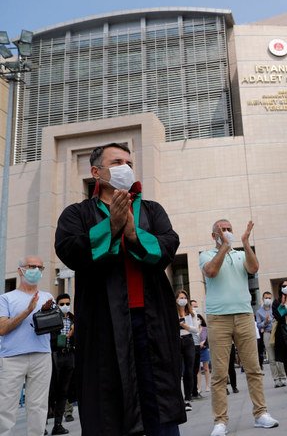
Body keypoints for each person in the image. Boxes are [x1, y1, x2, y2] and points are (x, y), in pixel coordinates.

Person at [55, 143, 185, 435]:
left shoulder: (150, 210)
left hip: (151, 321)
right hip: (104, 325)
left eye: (128, 162)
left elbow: (168, 245)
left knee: (157, 398)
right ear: (96, 172)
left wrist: (132, 233)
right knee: (109, 399)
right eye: (116, 161)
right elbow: (69, 249)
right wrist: (110, 227)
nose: (125, 167)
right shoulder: (77, 214)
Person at [199, 219, 279, 435]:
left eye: (229, 229)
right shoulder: (206, 255)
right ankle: (220, 421)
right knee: (219, 373)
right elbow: (211, 272)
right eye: (222, 230)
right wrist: (224, 247)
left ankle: (261, 413)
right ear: (214, 235)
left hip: (243, 315)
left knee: (253, 367)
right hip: (218, 318)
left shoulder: (241, 254)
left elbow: (254, 267)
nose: (226, 232)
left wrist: (244, 243)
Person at [0, 256, 54, 436]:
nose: (36, 270)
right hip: (12, 358)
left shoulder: (47, 296)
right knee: (6, 407)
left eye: (40, 267)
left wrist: (47, 313)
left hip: (42, 355)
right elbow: (2, 328)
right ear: (20, 270)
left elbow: (54, 327)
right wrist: (28, 311)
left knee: (38, 407)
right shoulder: (6, 298)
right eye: (32, 266)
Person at [48, 293, 76, 435]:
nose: (65, 306)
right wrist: (67, 336)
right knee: (51, 391)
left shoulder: (73, 319)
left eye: (67, 303)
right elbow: (53, 339)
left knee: (64, 392)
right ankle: (41, 424)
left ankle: (58, 425)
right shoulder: (53, 318)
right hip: (55, 356)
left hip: (69, 355)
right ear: (57, 305)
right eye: (62, 304)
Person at [255, 291, 287, 388]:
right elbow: (258, 324)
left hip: (277, 333)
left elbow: (281, 317)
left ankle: (283, 377)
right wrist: (265, 322)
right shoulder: (259, 312)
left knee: (280, 357)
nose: (268, 299)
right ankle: (276, 379)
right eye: (266, 298)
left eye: (269, 298)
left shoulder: (275, 308)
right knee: (272, 358)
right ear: (263, 299)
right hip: (267, 334)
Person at [176, 290, 197, 412]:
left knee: (189, 370)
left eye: (184, 297)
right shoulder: (172, 312)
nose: (182, 299)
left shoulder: (192, 313)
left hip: (188, 340)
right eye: (180, 297)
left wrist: (185, 326)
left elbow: (196, 330)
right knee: (178, 371)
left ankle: (188, 399)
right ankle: (178, 399)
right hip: (177, 341)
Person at [190, 299, 205, 399]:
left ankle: (195, 391)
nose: (195, 308)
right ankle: (192, 392)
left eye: (196, 306)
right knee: (191, 369)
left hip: (198, 344)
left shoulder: (198, 318)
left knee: (196, 369)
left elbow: (203, 330)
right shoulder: (189, 317)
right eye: (193, 306)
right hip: (191, 344)